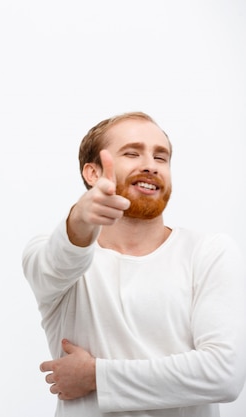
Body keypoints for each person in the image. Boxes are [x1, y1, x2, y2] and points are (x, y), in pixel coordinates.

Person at [22, 111, 246, 416]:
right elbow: (61, 257)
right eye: (132, 153)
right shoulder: (47, 257)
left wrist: (95, 376)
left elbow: (223, 375)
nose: (150, 165)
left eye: (160, 157)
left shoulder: (209, 253)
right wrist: (80, 215)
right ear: (92, 173)